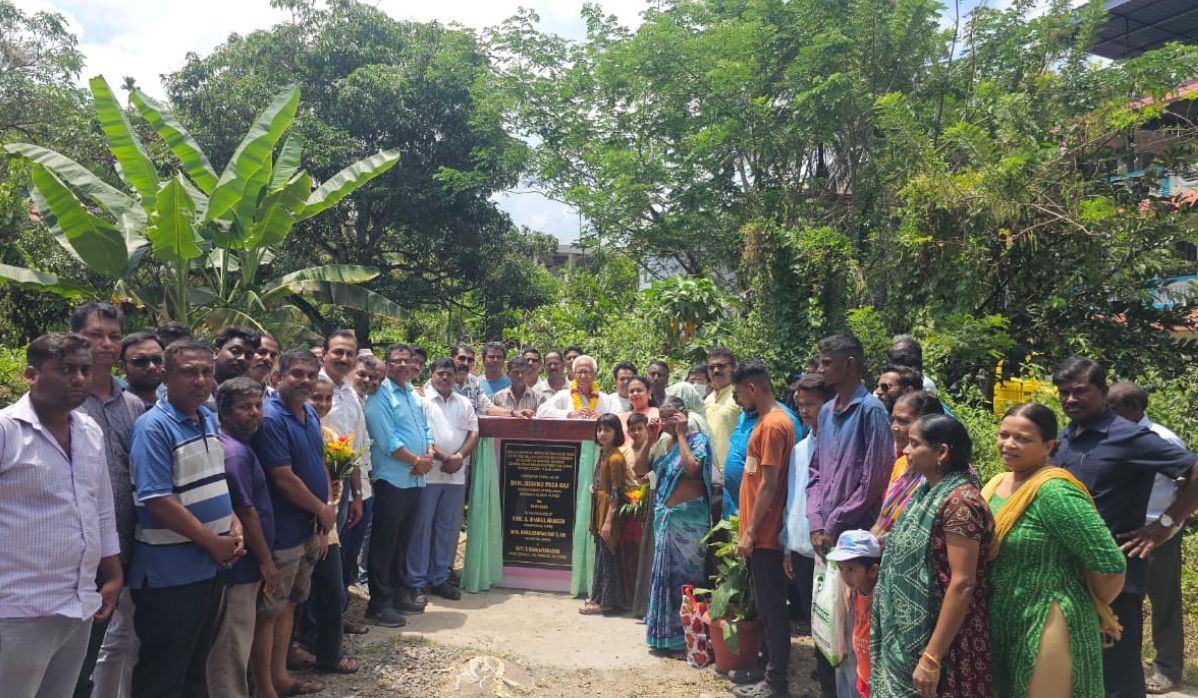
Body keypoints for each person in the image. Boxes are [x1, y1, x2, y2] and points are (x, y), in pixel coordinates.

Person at [1048, 357, 1198, 698]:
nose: (1070, 399)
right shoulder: (1065, 438)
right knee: (1070, 668)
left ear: (1103, 391)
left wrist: (1164, 525)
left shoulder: (1130, 437)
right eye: (1064, 392)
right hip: (1064, 574)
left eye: (1080, 391)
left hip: (1114, 575)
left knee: (1116, 675)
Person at [0, 333, 122, 698]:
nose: (80, 379)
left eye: (86, 370)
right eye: (66, 370)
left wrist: (113, 573)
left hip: (78, 602)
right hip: (18, 606)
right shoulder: (7, 431)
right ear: (31, 374)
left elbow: (100, 506)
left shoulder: (89, 431)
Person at [982, 402, 1127, 698]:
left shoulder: (1055, 492)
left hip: (1046, 619)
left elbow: (1109, 563)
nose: (1009, 444)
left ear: (1049, 445)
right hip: (1002, 617)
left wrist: (1084, 606)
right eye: (1003, 435)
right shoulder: (997, 484)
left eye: (1022, 438)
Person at [128, 339, 243, 698]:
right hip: (170, 573)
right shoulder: (153, 427)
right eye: (189, 372)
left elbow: (214, 481)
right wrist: (212, 541)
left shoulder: (207, 418)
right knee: (164, 673)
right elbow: (156, 499)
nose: (200, 380)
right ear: (165, 375)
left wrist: (233, 523)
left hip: (208, 567)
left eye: (206, 371)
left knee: (196, 666)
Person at [871, 414, 994, 698]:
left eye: (915, 444)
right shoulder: (925, 492)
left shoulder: (961, 502)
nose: (905, 451)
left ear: (941, 452)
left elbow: (962, 583)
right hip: (909, 638)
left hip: (947, 644)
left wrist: (931, 658)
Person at [70, 302, 145, 698]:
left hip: (124, 548)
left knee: (112, 646)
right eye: (95, 334)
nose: (106, 344)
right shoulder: (63, 403)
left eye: (114, 336)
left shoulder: (132, 404)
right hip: (75, 555)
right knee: (69, 663)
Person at [251, 349, 333, 697]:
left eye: (311, 375)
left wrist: (324, 508)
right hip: (281, 532)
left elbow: (319, 461)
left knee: (290, 605)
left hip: (307, 529)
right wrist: (320, 507)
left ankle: (281, 675)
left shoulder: (310, 414)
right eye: (297, 374)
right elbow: (282, 477)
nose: (305, 381)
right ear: (277, 378)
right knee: (268, 612)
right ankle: (264, 686)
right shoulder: (271, 418)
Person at [1107, 380, 1187, 694]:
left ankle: (1167, 669)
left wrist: (1167, 524)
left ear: (1134, 408)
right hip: (1120, 534)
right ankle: (1124, 665)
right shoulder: (1112, 435)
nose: (1107, 413)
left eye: (1113, 408)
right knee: (1122, 600)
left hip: (1157, 537)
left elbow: (1188, 484)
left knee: (1163, 600)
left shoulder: (1162, 439)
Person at [206, 377, 278, 698]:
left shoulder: (243, 446)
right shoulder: (234, 453)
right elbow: (246, 511)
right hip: (242, 568)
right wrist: (265, 560)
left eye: (258, 405)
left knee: (238, 641)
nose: (254, 413)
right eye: (245, 407)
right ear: (223, 411)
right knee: (232, 646)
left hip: (248, 567)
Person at [730, 360, 797, 698]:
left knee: (773, 611)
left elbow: (769, 485)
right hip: (762, 535)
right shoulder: (769, 422)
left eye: (740, 393)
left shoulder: (773, 425)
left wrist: (751, 532)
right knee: (766, 608)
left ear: (753, 388)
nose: (739, 400)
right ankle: (766, 667)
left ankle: (775, 682)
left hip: (767, 536)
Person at [633, 396, 713, 653]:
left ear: (684, 415)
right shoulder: (661, 444)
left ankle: (691, 636)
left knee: (687, 579)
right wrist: (649, 437)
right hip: (665, 522)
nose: (667, 421)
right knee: (665, 579)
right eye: (663, 416)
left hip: (689, 523)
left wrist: (681, 435)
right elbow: (639, 470)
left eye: (672, 417)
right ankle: (665, 636)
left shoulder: (698, 440)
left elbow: (692, 470)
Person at [364, 344, 435, 627]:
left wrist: (428, 454)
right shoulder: (380, 395)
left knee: (403, 541)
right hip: (392, 479)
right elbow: (386, 439)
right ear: (387, 364)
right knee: (385, 544)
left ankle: (399, 594)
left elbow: (426, 428)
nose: (404, 365)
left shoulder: (413, 394)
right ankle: (379, 604)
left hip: (416, 479)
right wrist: (416, 460)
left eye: (408, 360)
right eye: (397, 361)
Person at [294, 376, 359, 677]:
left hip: (328, 526)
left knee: (332, 591)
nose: (321, 404)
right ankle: (296, 648)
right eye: (315, 398)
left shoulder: (332, 436)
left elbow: (338, 480)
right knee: (298, 596)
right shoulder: (295, 432)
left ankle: (330, 654)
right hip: (301, 524)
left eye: (326, 399)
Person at [807, 332, 894, 554]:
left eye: (827, 363)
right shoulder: (826, 412)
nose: (820, 369)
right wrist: (816, 523)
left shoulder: (871, 410)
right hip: (824, 537)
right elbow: (815, 471)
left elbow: (873, 481)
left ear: (850, 364)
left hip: (857, 537)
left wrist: (835, 521)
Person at [412, 358, 479, 602]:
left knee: (448, 529)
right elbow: (421, 433)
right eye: (440, 373)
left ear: (456, 377)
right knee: (422, 528)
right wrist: (445, 457)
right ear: (431, 375)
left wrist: (458, 456)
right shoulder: (420, 401)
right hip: (428, 474)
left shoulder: (464, 402)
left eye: (449, 374)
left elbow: (474, 432)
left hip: (455, 474)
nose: (445, 378)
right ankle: (417, 580)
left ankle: (439, 578)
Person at [319, 332, 370, 616]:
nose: (344, 358)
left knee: (338, 557)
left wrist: (358, 493)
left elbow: (356, 445)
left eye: (349, 354)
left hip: (344, 486)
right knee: (321, 556)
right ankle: (312, 631)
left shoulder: (351, 393)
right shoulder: (315, 389)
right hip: (317, 488)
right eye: (338, 352)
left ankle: (334, 619)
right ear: (324, 354)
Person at [781, 374, 835, 639]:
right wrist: (788, 546)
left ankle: (832, 677)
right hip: (801, 545)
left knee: (833, 615)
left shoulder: (839, 446)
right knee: (812, 611)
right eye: (800, 404)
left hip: (828, 545)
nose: (803, 410)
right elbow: (792, 499)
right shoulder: (800, 449)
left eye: (810, 404)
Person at [723, 383, 801, 519]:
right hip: (735, 507)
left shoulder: (778, 421)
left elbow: (778, 475)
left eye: (738, 393)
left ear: (752, 389)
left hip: (762, 515)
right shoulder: (745, 414)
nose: (735, 398)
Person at [874, 392, 945, 536]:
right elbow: (884, 517)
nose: (894, 427)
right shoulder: (901, 464)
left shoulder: (943, 473)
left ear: (927, 424)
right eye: (892, 419)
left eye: (903, 421)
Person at [581, 413, 629, 615]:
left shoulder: (616, 458)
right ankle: (599, 596)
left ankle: (606, 602)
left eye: (607, 430)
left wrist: (608, 522)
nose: (602, 433)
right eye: (599, 429)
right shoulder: (604, 453)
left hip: (609, 513)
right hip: (600, 510)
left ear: (616, 432)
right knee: (601, 555)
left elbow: (617, 492)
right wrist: (595, 487)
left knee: (608, 556)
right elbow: (604, 483)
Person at [826, 531, 883, 698]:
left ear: (873, 571)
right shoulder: (856, 591)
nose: (844, 576)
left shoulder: (879, 599)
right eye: (841, 569)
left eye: (851, 569)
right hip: (862, 678)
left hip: (877, 683)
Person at [537, 355, 622, 418]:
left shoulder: (605, 399)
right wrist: (569, 414)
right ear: (574, 374)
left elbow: (618, 416)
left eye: (587, 372)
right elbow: (541, 411)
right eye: (579, 372)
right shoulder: (564, 395)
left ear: (594, 375)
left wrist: (602, 418)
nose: (583, 376)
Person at [703, 347, 741, 472]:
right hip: (708, 470)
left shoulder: (740, 395)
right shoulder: (708, 399)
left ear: (733, 368)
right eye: (711, 367)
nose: (716, 370)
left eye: (721, 366)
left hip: (733, 470)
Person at [452, 344, 507, 416]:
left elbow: (488, 408)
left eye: (470, 360)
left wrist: (514, 413)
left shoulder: (473, 382)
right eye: (462, 358)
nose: (466, 363)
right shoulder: (441, 382)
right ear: (451, 360)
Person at [120, 331, 165, 408]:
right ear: (122, 367)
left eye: (157, 360)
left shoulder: (172, 403)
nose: (152, 367)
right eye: (140, 361)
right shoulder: (121, 408)